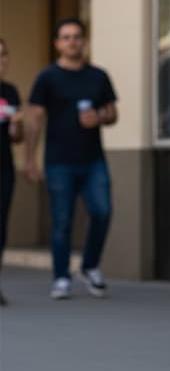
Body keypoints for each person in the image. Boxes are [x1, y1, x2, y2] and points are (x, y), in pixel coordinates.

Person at [22, 18, 118, 300]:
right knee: (62, 220)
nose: (72, 42)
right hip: (58, 161)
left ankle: (89, 266)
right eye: (66, 37)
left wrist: (99, 116)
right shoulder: (47, 78)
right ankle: (61, 277)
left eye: (76, 36)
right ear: (57, 43)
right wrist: (30, 159)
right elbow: (35, 119)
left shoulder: (98, 76)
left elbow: (112, 113)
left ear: (84, 40)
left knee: (102, 211)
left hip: (93, 161)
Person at [0, 38, 24, 307]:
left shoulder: (10, 92)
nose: (1, 61)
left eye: (3, 55)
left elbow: (15, 137)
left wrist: (16, 125)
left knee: (1, 226)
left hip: (4, 167)